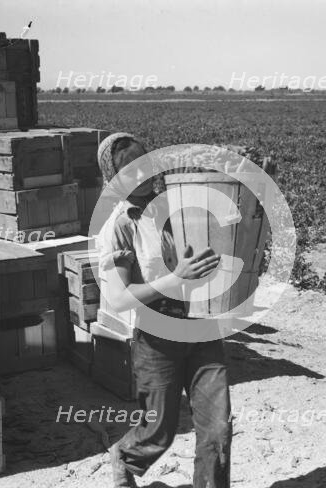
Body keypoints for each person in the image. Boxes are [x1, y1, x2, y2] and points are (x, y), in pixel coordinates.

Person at [96, 132, 232, 488]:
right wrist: (175, 280)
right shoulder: (119, 226)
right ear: (112, 178)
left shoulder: (174, 206)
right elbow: (120, 298)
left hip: (201, 328)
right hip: (157, 339)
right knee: (159, 432)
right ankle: (125, 457)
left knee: (218, 428)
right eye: (129, 170)